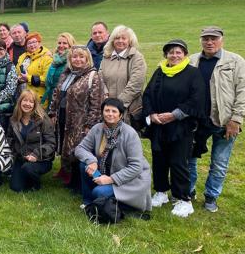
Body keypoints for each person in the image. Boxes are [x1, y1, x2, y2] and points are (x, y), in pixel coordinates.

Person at [143, 39, 205, 218]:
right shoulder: (160, 72)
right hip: (159, 126)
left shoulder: (193, 74)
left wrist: (174, 115)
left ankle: (183, 199)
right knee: (159, 159)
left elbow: (197, 99)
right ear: (166, 55)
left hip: (181, 127)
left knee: (179, 162)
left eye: (179, 52)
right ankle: (161, 191)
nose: (174, 55)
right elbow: (147, 95)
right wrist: (152, 114)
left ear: (185, 55)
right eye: (171, 52)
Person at [189, 26, 245, 212]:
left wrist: (236, 119)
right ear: (201, 41)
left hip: (224, 121)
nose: (209, 42)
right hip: (197, 120)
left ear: (221, 40)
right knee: (190, 157)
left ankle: (211, 196)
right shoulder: (192, 60)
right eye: (206, 39)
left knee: (220, 162)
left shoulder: (235, 61)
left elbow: (242, 92)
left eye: (214, 38)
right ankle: (188, 191)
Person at [75, 98, 152, 212]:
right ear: (102, 112)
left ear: (120, 115)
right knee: (84, 164)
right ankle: (88, 202)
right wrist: (92, 161)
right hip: (104, 172)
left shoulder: (130, 134)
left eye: (114, 111)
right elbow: (80, 148)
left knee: (99, 192)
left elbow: (136, 167)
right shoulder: (97, 129)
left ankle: (117, 202)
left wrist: (110, 179)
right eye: (107, 110)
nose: (110, 114)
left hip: (128, 180)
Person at [49, 45, 105, 191]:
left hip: (80, 120)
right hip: (63, 116)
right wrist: (52, 112)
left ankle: (77, 181)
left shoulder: (93, 76)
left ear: (87, 59)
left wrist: (90, 124)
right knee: (64, 144)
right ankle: (65, 171)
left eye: (81, 57)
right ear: (70, 59)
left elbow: (96, 103)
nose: (78, 60)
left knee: (77, 148)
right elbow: (57, 93)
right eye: (75, 57)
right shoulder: (66, 73)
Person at [8, 90, 56, 192]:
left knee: (28, 169)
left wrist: (36, 155)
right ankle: (26, 177)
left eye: (31, 101)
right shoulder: (14, 119)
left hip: (41, 159)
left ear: (35, 104)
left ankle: (36, 184)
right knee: (16, 188)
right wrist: (16, 153)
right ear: (20, 102)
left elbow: (51, 143)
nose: (27, 104)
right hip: (21, 158)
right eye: (25, 100)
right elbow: (9, 139)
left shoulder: (43, 119)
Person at [99, 25, 147, 124]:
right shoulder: (106, 56)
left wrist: (117, 105)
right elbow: (100, 78)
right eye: (117, 38)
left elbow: (135, 85)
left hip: (127, 110)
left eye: (124, 38)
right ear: (112, 40)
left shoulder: (137, 58)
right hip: (107, 109)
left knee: (126, 138)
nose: (120, 41)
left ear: (130, 41)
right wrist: (105, 96)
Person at [16, 32, 53, 104]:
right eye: (29, 43)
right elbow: (16, 73)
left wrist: (28, 78)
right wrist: (18, 79)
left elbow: (47, 80)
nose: (32, 45)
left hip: (38, 99)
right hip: (22, 98)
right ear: (26, 46)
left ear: (39, 43)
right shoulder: (22, 57)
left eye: (34, 42)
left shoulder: (47, 58)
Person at [42, 32, 75, 109]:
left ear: (70, 45)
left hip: (64, 99)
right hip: (51, 96)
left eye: (65, 43)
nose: (61, 46)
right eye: (59, 43)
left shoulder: (71, 61)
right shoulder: (55, 59)